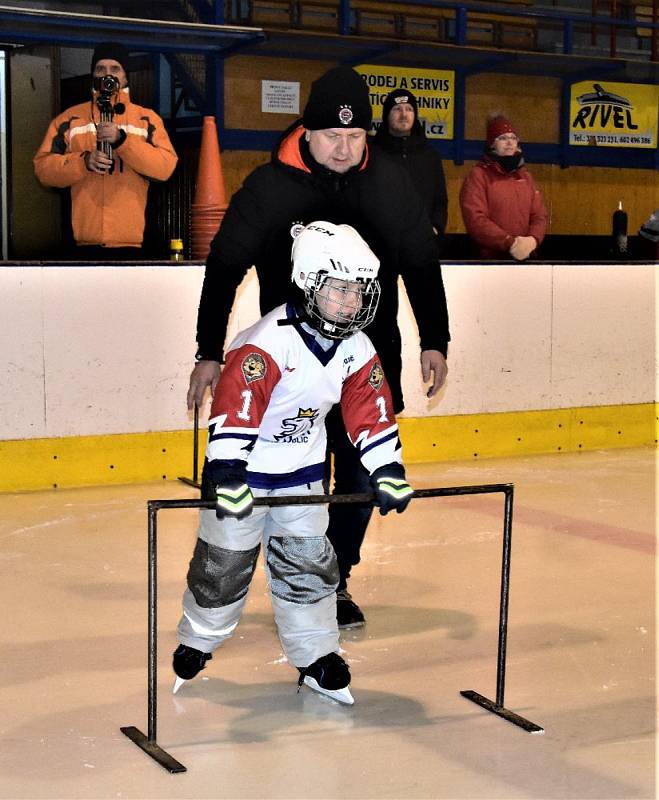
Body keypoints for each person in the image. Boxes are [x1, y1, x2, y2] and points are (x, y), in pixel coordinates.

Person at [187, 65, 450, 630]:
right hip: (290, 369)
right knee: (302, 476)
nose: (344, 148)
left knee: (358, 477)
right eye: (333, 136)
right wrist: (209, 349)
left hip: (369, 358)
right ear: (307, 131)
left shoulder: (388, 181)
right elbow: (225, 264)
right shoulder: (270, 186)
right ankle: (294, 576)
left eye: (356, 137)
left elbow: (422, 265)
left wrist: (436, 339)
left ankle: (337, 579)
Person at [173, 221, 415, 705]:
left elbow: (370, 409)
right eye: (339, 289)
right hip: (242, 477)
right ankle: (198, 639)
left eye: (359, 291)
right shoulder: (265, 341)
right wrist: (225, 472)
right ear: (307, 282)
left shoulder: (356, 346)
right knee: (223, 565)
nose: (350, 302)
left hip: (303, 477)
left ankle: (315, 656)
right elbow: (238, 407)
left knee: (308, 566)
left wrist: (386, 468)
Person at [33, 42, 178, 259]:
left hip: (133, 245)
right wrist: (83, 162)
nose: (107, 74)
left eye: (115, 69)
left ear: (126, 77)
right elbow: (43, 168)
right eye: (100, 69)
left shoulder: (146, 119)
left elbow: (165, 166)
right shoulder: (69, 119)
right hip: (82, 245)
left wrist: (123, 142)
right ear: (92, 75)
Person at [459, 114, 547, 260]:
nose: (509, 143)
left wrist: (533, 240)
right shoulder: (478, 176)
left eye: (513, 138)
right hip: (489, 261)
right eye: (503, 138)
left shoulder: (526, 177)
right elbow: (476, 219)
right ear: (492, 144)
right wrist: (509, 243)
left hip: (526, 259)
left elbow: (539, 215)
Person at [371, 88, 448, 241]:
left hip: (422, 241)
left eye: (409, 109)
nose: (404, 114)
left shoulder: (430, 156)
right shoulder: (372, 154)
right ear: (387, 114)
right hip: (381, 242)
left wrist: (436, 227)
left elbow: (440, 200)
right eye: (397, 109)